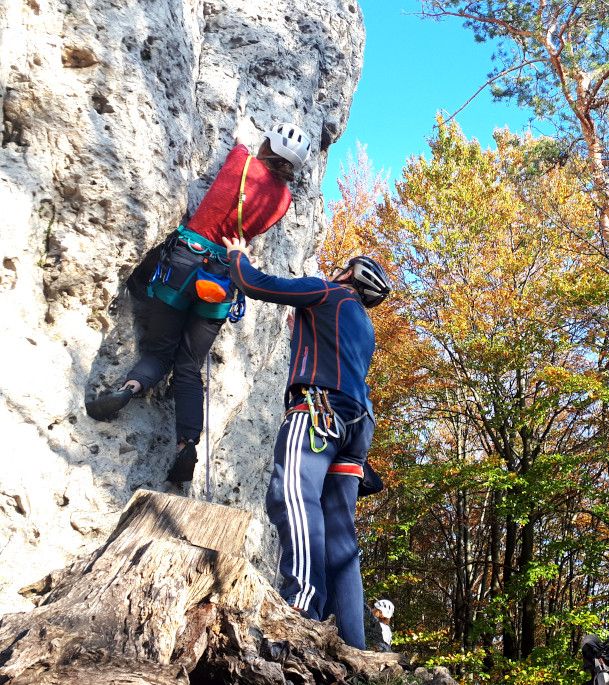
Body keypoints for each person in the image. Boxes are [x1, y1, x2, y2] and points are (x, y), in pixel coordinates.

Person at [85, 122, 312, 486]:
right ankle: (187, 444)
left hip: (184, 263)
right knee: (189, 367)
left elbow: (237, 144)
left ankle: (129, 388)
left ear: (270, 144)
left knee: (159, 350)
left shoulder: (242, 162)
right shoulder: (284, 201)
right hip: (223, 280)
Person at [222, 233, 390, 649]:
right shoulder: (363, 326)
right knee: (341, 536)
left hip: (318, 409)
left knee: (293, 497)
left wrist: (236, 256)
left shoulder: (326, 291)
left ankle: (299, 605)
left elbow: (256, 283)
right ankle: (354, 643)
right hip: (357, 426)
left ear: (350, 274)